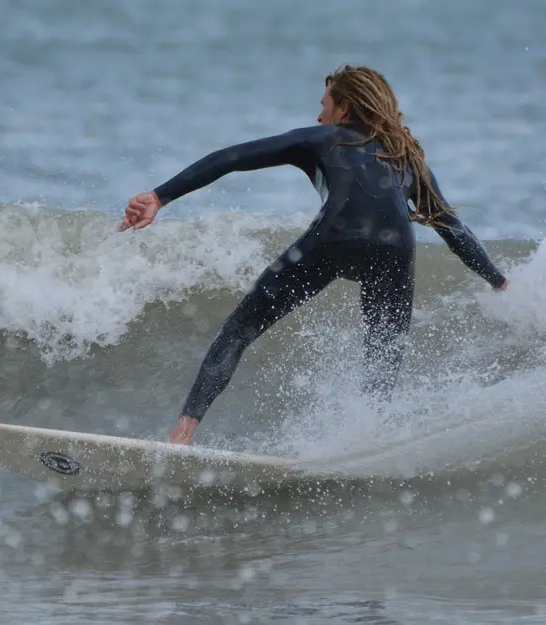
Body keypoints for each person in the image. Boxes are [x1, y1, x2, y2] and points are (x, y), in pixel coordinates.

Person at [121, 64, 509, 445]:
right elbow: (453, 228)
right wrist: (499, 281)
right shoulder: (407, 158)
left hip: (335, 236)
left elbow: (232, 158)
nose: (318, 113)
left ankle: (182, 435)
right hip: (395, 250)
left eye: (324, 103)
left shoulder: (321, 140)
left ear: (344, 109)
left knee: (240, 329)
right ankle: (368, 443)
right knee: (382, 359)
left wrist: (159, 196)